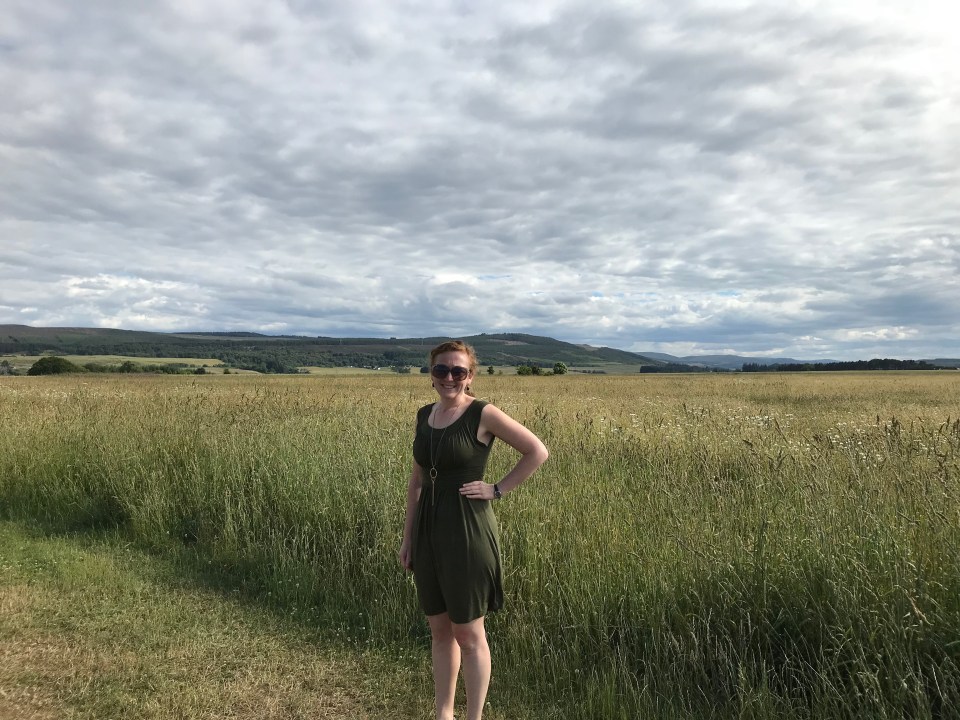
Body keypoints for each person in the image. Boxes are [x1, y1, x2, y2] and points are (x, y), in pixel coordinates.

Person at [399, 340, 549, 720]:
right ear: (431, 374)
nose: (449, 377)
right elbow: (416, 482)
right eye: (441, 370)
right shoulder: (424, 416)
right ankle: (444, 714)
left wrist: (496, 489)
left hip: (467, 531)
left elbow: (536, 451)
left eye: (458, 371)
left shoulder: (483, 414)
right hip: (428, 531)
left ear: (470, 376)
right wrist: (408, 537)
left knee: (468, 634)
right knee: (439, 630)